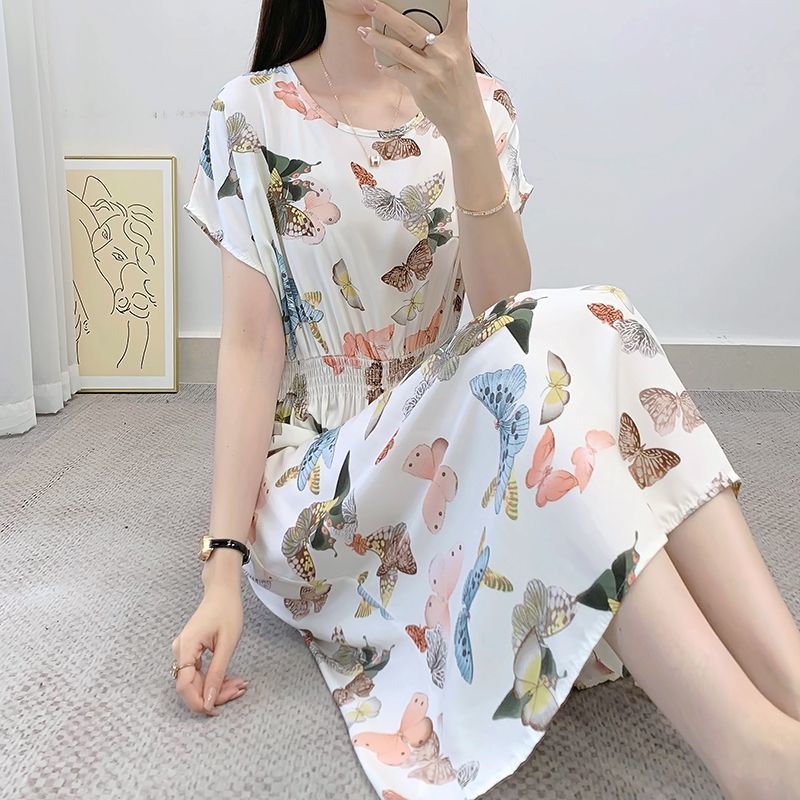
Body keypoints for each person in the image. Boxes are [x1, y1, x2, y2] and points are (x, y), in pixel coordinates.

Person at [174, 1, 800, 797]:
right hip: (328, 484)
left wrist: (467, 132)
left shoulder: (483, 105)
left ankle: (790, 685)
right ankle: (751, 752)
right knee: (533, 354)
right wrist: (221, 572)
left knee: (597, 317)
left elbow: (502, 312)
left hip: (454, 444)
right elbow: (251, 346)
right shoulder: (250, 113)